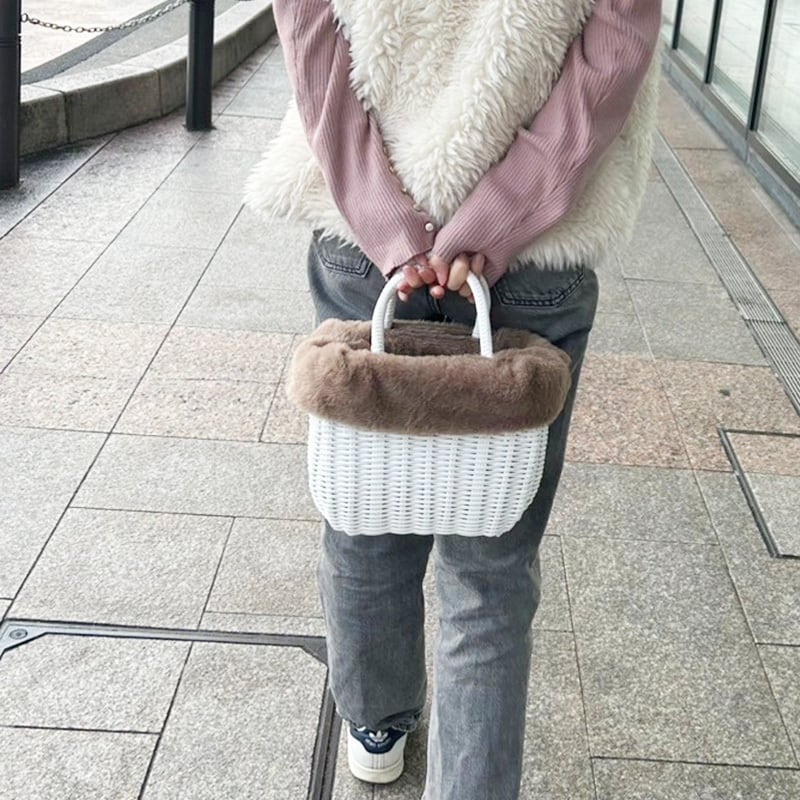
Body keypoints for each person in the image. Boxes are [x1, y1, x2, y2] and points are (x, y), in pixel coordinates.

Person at [246, 1, 662, 797]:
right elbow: (617, 45)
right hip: (540, 253)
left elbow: (309, 23)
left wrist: (385, 214)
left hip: (362, 235)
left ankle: (377, 722)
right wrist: (501, 214)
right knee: (492, 567)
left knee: (368, 513)